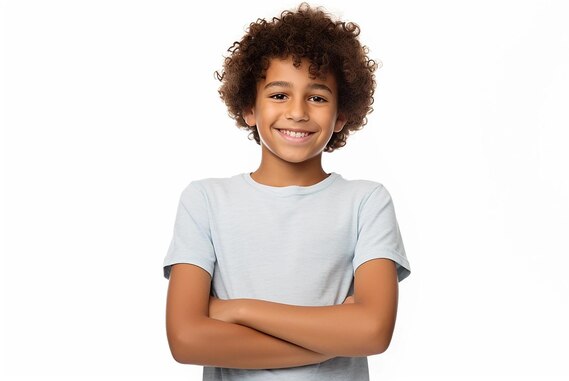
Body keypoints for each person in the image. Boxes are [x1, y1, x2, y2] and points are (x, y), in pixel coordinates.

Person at [163, 3, 411, 380]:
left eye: (318, 97)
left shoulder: (366, 202)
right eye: (279, 95)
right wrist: (333, 339)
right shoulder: (206, 201)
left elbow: (373, 332)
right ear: (249, 107)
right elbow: (186, 340)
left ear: (341, 114)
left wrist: (239, 310)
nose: (297, 112)